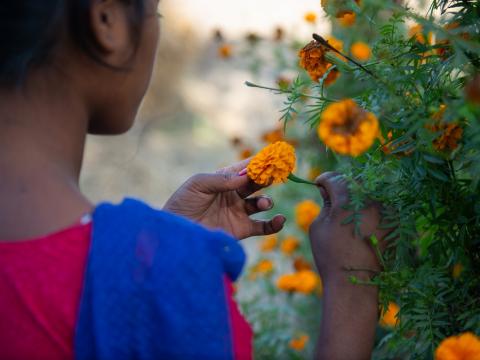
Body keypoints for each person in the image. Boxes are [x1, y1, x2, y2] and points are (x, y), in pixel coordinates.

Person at [0, 1, 385, 359]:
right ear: (107, 21)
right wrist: (353, 286)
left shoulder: (154, 267)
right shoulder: (169, 280)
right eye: (157, 14)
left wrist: (154, 246)